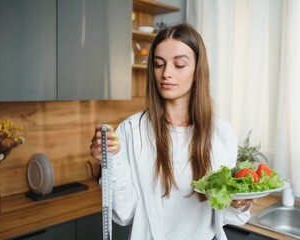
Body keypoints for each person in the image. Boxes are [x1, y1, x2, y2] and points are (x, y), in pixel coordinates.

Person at [90, 23, 252, 240]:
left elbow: (226, 214)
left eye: (179, 65)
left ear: (197, 71)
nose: (166, 73)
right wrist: (111, 159)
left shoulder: (222, 133)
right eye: (159, 64)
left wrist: (240, 202)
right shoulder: (131, 130)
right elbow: (124, 214)